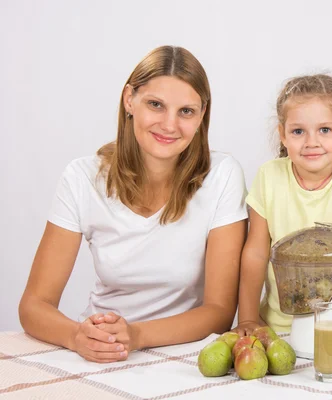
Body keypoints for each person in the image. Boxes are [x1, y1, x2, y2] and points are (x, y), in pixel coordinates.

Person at [19, 46, 248, 363]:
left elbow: (219, 313)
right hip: (97, 349)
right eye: (156, 105)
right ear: (130, 100)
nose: (169, 124)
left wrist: (136, 335)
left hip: (181, 355)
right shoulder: (82, 178)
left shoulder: (222, 176)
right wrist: (77, 336)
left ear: (202, 115)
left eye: (186, 111)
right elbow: (34, 304)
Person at [234, 74, 332, 334]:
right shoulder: (269, 177)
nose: (311, 142)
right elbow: (256, 252)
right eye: (298, 131)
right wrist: (247, 319)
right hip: (277, 327)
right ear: (283, 134)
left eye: (324, 130)